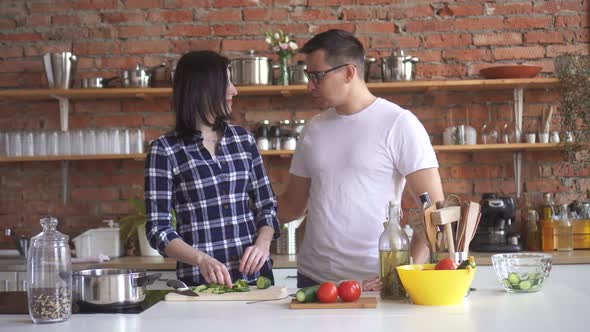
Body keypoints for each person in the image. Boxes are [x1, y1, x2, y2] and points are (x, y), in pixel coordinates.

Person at [277, 30, 444, 289]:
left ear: (348, 72)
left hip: (374, 279)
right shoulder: (313, 129)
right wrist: (239, 214)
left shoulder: (399, 123)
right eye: (308, 76)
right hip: (313, 279)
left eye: (317, 76)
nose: (309, 86)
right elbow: (292, 205)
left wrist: (408, 268)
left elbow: (433, 208)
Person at [144, 50, 279, 288]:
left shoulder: (243, 140)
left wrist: (263, 244)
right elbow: (158, 229)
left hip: (257, 281)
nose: (234, 90)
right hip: (201, 283)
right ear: (203, 88)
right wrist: (201, 260)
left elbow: (266, 206)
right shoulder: (165, 150)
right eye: (226, 83)